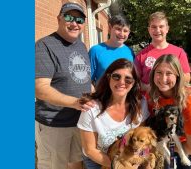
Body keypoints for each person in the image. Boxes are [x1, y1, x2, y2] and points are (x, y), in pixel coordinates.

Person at [35, 2, 92, 169]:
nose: (74, 23)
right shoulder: (44, 46)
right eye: (69, 17)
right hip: (55, 124)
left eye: (79, 20)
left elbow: (85, 81)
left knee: (76, 164)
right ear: (59, 19)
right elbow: (41, 89)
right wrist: (74, 102)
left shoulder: (81, 46)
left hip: (79, 122)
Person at [77, 59, 150, 169]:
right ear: (108, 77)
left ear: (134, 82)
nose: (121, 82)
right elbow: (90, 150)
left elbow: (144, 141)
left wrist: (141, 163)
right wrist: (120, 166)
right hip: (100, 160)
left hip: (131, 158)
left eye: (128, 79)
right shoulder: (92, 108)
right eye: (116, 76)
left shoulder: (141, 104)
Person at [135, 11, 191, 92]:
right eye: (153, 27)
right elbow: (135, 80)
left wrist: (168, 88)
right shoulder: (141, 55)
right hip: (148, 101)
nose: (157, 30)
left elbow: (186, 78)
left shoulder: (179, 52)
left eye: (161, 26)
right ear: (149, 30)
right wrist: (148, 88)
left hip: (172, 101)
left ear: (167, 29)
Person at [89, 14, 134, 84]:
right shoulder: (95, 51)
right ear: (110, 28)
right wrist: (95, 94)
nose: (121, 34)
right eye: (118, 29)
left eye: (125, 31)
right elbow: (88, 81)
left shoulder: (130, 51)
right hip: (103, 94)